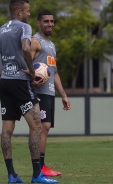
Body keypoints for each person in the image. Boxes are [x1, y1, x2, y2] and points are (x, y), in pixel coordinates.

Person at [0, 1, 58, 183]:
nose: (29, 15)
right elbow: (26, 48)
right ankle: (37, 175)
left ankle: (12, 175)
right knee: (36, 126)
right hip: (21, 82)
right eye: (27, 12)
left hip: (5, 83)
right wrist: (32, 71)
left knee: (7, 130)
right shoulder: (25, 27)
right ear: (19, 12)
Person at [31, 9, 71, 177]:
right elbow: (25, 64)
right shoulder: (35, 41)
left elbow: (54, 73)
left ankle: (41, 166)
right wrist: (31, 80)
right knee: (43, 127)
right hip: (37, 91)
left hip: (49, 93)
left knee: (45, 128)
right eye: (46, 21)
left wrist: (63, 95)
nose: (50, 24)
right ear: (38, 23)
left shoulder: (51, 45)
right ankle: (39, 167)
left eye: (51, 21)